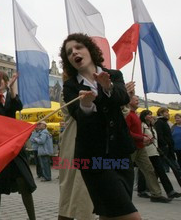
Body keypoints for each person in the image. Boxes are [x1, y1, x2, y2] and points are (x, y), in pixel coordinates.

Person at [60, 33, 140, 220]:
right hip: (93, 160)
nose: (74, 53)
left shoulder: (113, 75)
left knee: (110, 214)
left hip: (121, 154)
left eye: (78, 47)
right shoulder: (70, 86)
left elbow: (122, 98)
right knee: (130, 216)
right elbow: (78, 116)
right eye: (69, 52)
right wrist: (86, 106)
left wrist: (108, 87)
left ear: (90, 50)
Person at [0, 71, 36, 220]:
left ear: (6, 81)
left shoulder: (11, 99)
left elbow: (17, 107)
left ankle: (33, 218)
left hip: (13, 147)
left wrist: (13, 87)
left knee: (23, 182)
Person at [125, 93, 171, 202]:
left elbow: (137, 131)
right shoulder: (128, 115)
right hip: (131, 148)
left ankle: (156, 194)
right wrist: (141, 138)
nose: (137, 101)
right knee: (126, 172)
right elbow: (126, 132)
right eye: (135, 100)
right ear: (129, 101)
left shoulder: (135, 115)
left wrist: (145, 137)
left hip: (141, 147)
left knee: (149, 170)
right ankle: (124, 196)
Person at [57, 106, 95, 220]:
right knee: (69, 197)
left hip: (97, 149)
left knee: (89, 199)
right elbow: (77, 112)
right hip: (74, 147)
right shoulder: (69, 90)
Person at [137, 110, 181, 199]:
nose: (151, 116)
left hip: (154, 151)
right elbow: (140, 136)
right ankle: (142, 190)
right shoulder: (142, 125)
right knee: (144, 171)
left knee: (160, 171)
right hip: (146, 151)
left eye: (151, 114)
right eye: (148, 115)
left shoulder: (151, 126)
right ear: (144, 116)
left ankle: (170, 191)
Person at [155, 107, 181, 182]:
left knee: (173, 166)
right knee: (174, 167)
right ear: (161, 113)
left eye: (167, 112)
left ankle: (152, 183)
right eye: (166, 112)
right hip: (165, 148)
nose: (168, 113)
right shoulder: (160, 122)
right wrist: (165, 144)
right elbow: (159, 135)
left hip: (169, 148)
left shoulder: (164, 122)